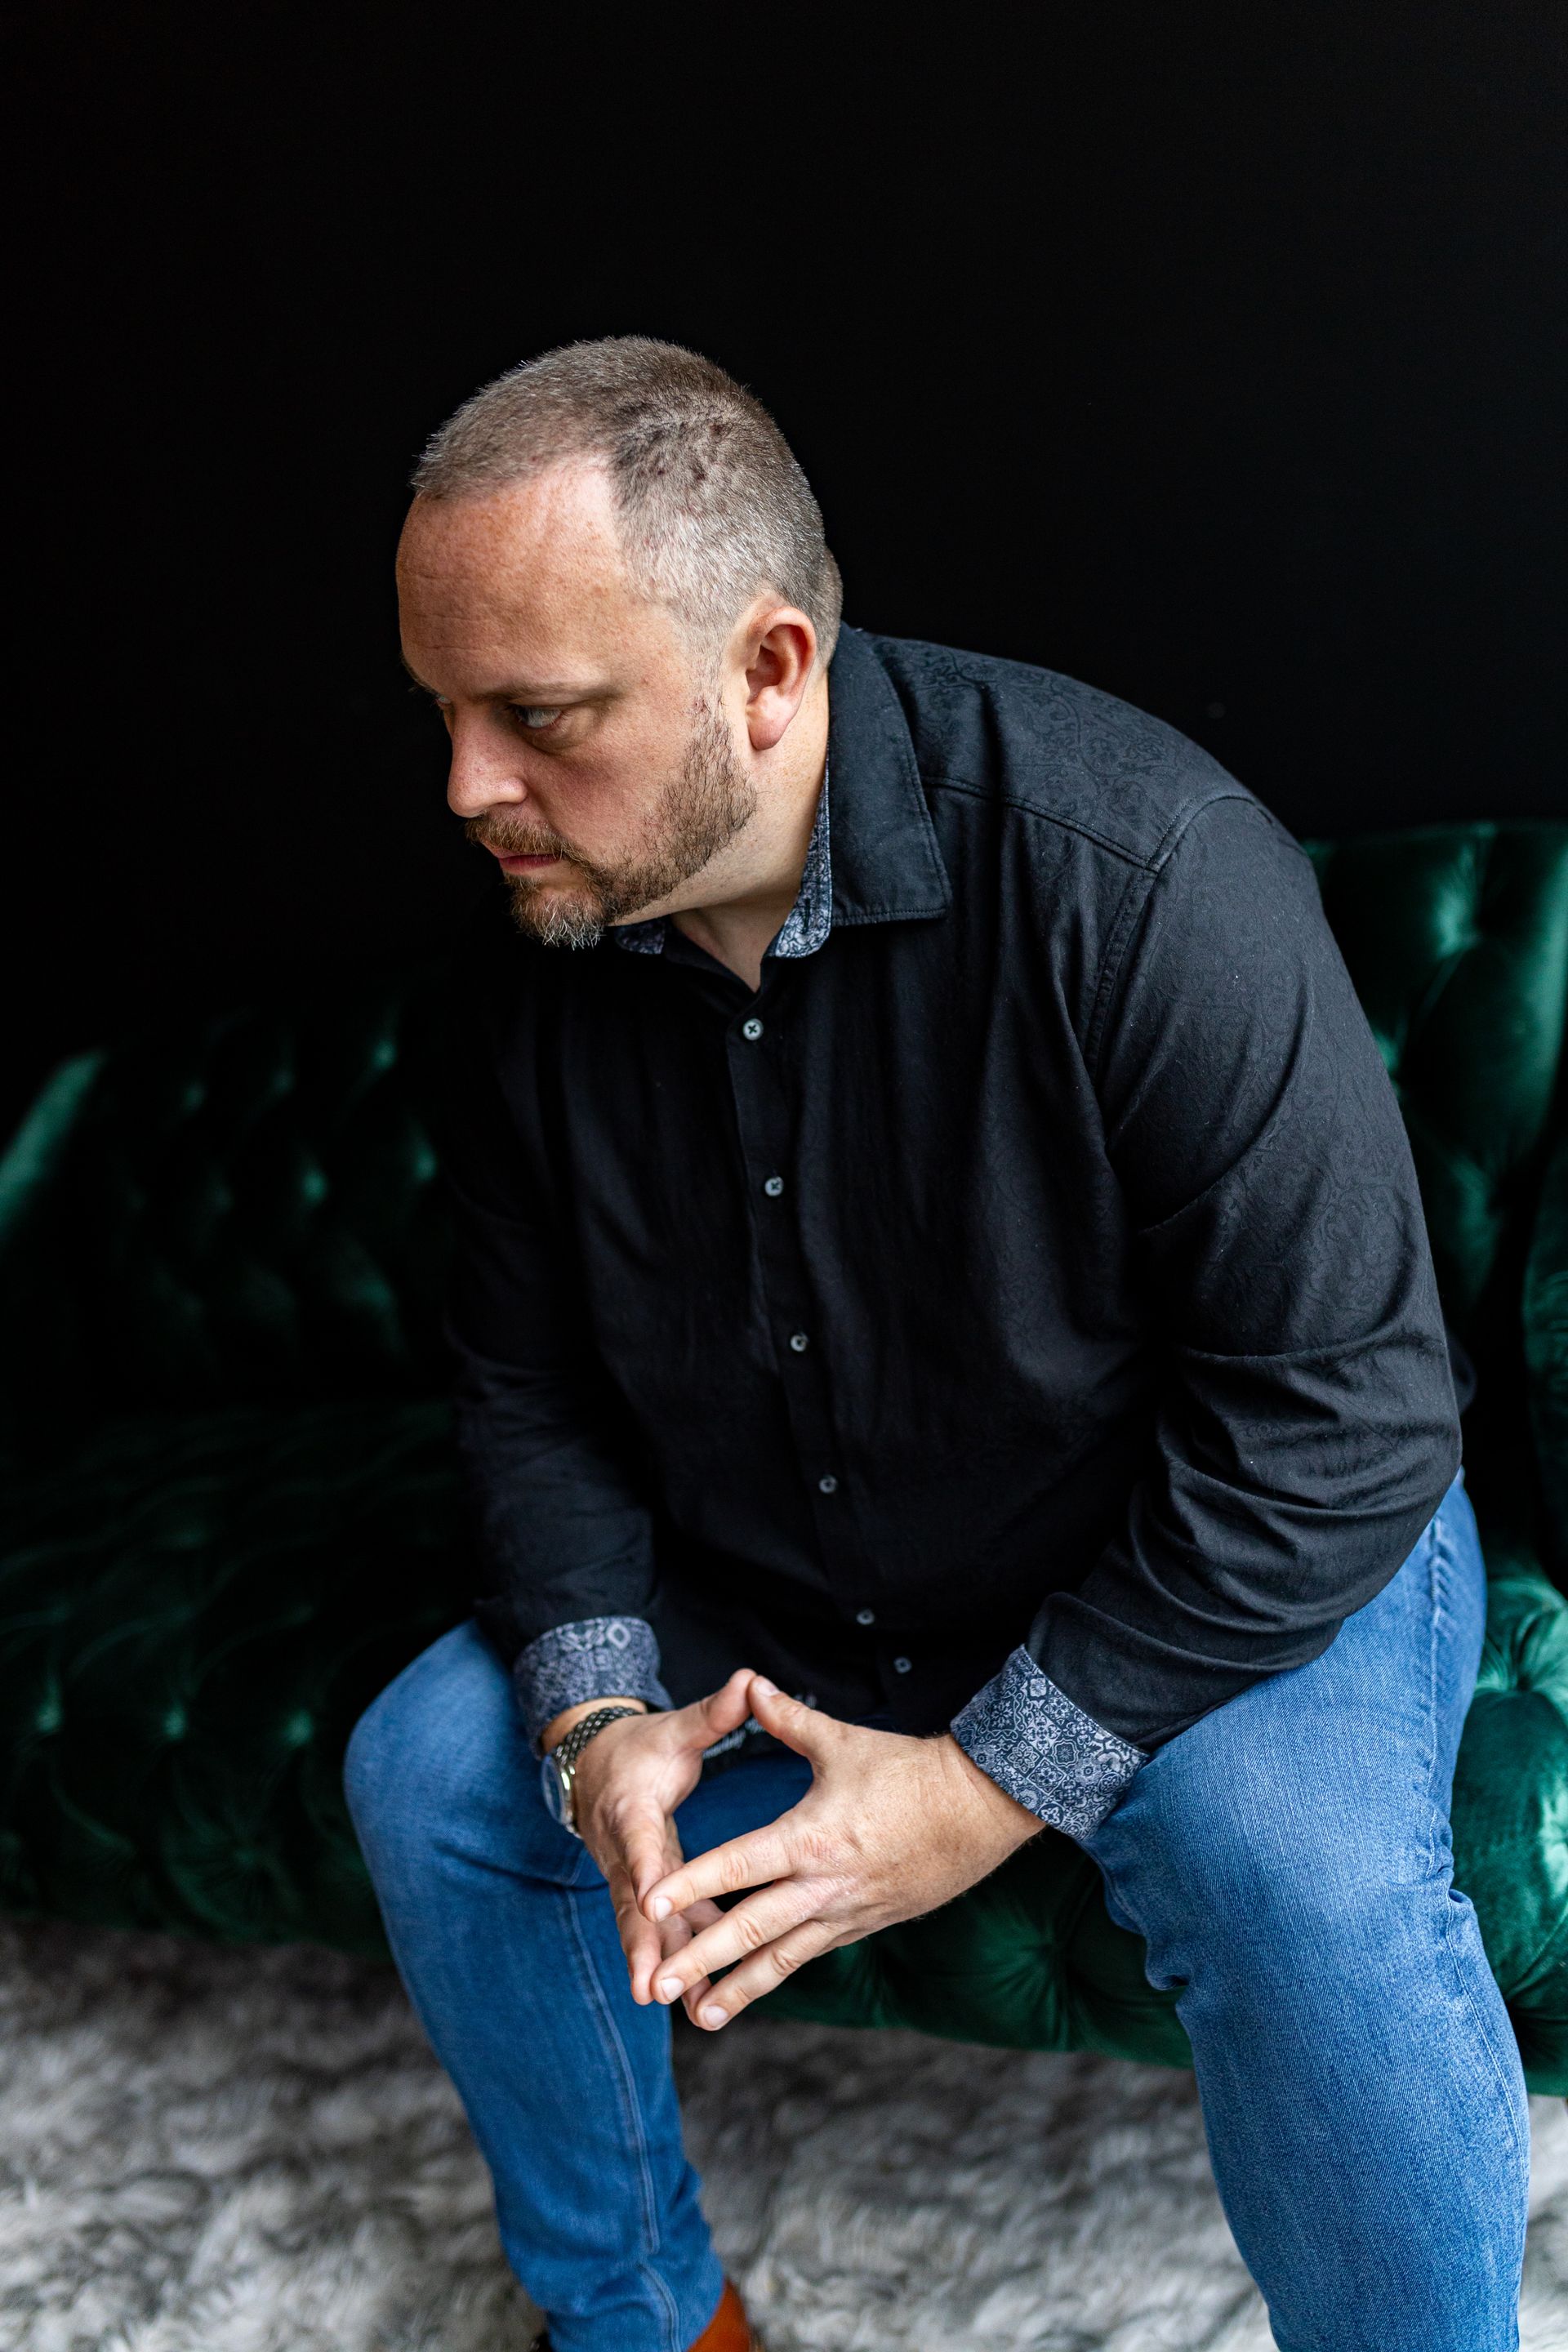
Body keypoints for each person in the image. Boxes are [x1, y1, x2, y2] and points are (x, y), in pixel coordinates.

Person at [344, 337, 1526, 2352]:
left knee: (1291, 1874)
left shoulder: (1141, 870)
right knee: (437, 1771)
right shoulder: (537, 946)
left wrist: (986, 1784)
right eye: (445, 716)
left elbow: (1340, 1420)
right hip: (802, 1574)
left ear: (772, 669)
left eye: (537, 717)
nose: (468, 789)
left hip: (1198, 1561)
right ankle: (645, 2321)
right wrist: (593, 1717)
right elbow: (528, 1385)